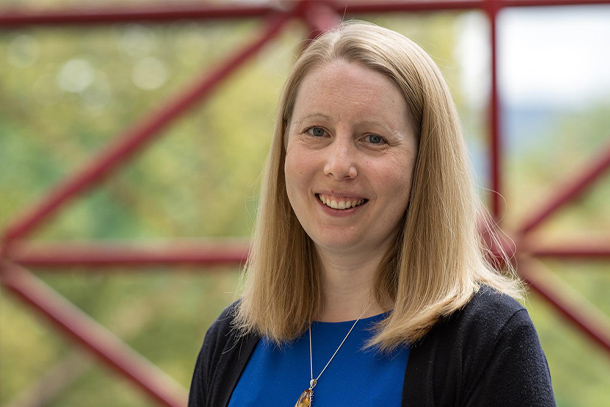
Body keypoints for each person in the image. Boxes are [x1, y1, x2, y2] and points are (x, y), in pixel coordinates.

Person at [188, 21, 556, 407]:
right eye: (316, 131)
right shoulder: (230, 341)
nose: (338, 164)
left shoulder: (487, 340)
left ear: (425, 165)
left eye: (373, 138)